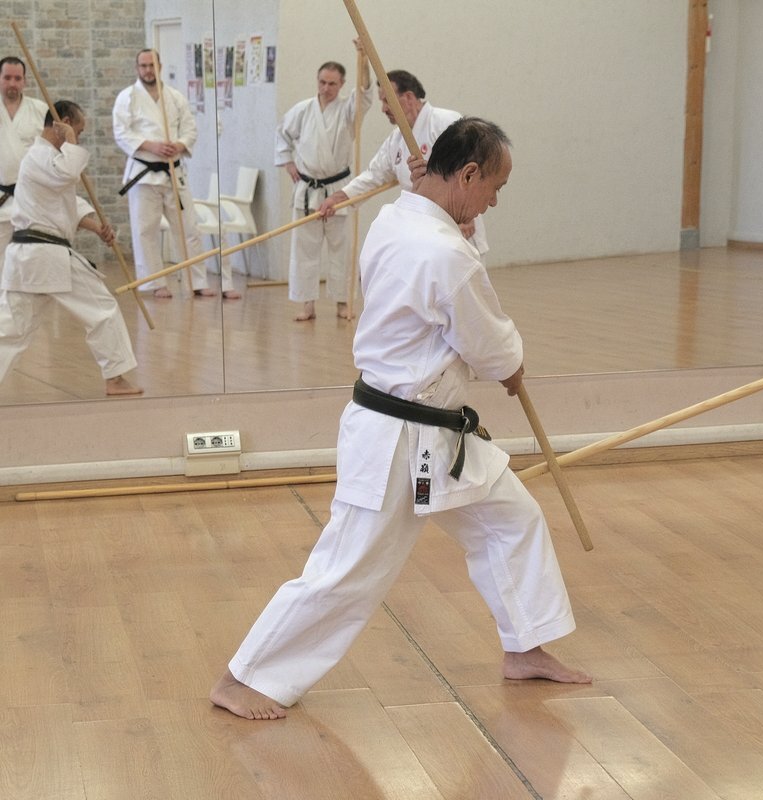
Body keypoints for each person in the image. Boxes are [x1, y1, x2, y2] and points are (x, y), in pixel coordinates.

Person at [211, 117, 590, 721]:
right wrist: (512, 366)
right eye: (494, 186)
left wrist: (453, 221)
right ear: (467, 174)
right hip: (395, 439)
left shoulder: (399, 218)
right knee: (349, 567)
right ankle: (244, 677)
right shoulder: (447, 254)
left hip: (436, 431)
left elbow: (444, 268)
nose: (494, 200)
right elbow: (490, 348)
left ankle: (526, 648)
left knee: (511, 519)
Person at [0, 100, 141, 396]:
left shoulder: (46, 160)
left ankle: (116, 376)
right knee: (102, 310)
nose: (80, 136)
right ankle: (115, 378)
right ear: (62, 124)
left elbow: (65, 203)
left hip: (28, 258)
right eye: (79, 129)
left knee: (10, 332)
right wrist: (72, 141)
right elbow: (66, 174)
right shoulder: (40, 156)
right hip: (45, 256)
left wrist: (97, 228)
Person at [317, 69, 487, 255]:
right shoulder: (396, 140)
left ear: (408, 97)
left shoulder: (446, 122)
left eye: (386, 100)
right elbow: (374, 175)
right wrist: (338, 197)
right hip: (424, 229)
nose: (383, 108)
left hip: (459, 226)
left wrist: (468, 216)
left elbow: (474, 167)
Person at [113, 49, 237, 300]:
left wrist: (178, 145)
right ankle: (154, 282)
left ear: (159, 66)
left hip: (173, 171)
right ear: (137, 68)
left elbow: (190, 129)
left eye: (151, 65)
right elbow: (121, 133)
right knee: (145, 230)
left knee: (188, 228)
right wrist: (151, 146)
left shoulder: (176, 97)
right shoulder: (127, 97)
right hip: (144, 173)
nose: (148, 70)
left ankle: (197, 281)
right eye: (143, 65)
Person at [275, 47, 371, 321]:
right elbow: (282, 134)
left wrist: (363, 60)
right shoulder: (303, 110)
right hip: (307, 189)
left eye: (332, 83)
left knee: (341, 249)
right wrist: (288, 162)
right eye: (322, 82)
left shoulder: (348, 111)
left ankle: (343, 302)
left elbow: (364, 92)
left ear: (342, 84)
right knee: (305, 248)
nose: (326, 88)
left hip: (338, 188)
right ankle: (307, 304)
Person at [0, 56, 49, 269]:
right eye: (7, 77)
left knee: (29, 258)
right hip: (1, 196)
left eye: (17, 78)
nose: (12, 83)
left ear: (25, 81)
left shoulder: (40, 109)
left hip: (31, 196)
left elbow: (53, 151)